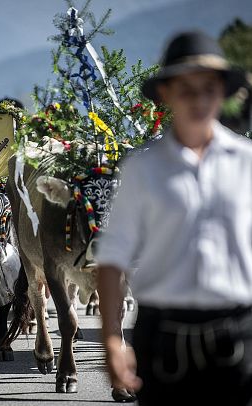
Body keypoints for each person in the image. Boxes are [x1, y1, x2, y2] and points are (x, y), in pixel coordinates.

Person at [97, 31, 250, 405]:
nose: (199, 100)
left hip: (238, 338)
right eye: (186, 89)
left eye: (208, 88)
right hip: (163, 339)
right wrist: (112, 342)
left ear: (223, 93)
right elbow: (112, 255)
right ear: (166, 94)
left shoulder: (247, 162)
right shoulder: (143, 169)